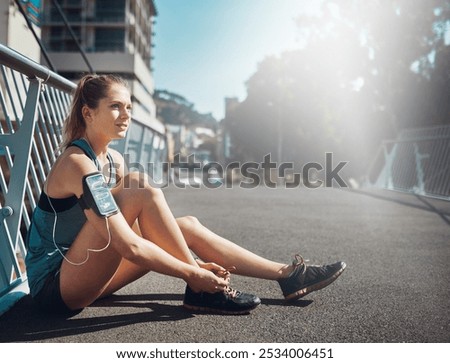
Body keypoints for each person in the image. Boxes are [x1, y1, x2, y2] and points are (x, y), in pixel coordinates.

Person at [25, 74, 346, 315]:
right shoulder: (76, 163)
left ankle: (288, 275)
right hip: (55, 290)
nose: (125, 115)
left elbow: (130, 234)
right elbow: (128, 245)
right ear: (88, 113)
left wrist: (195, 263)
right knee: (141, 187)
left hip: (87, 274)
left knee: (187, 224)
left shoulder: (113, 161)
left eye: (129, 108)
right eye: (115, 107)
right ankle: (199, 290)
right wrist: (193, 270)